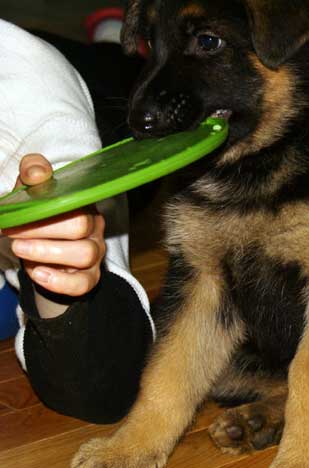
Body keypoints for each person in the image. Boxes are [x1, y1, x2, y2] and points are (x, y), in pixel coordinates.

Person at [0, 16, 154, 424]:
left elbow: (106, 387)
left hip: (99, 104)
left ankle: (113, 38)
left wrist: (55, 275)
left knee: (129, 84)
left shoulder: (28, 98)